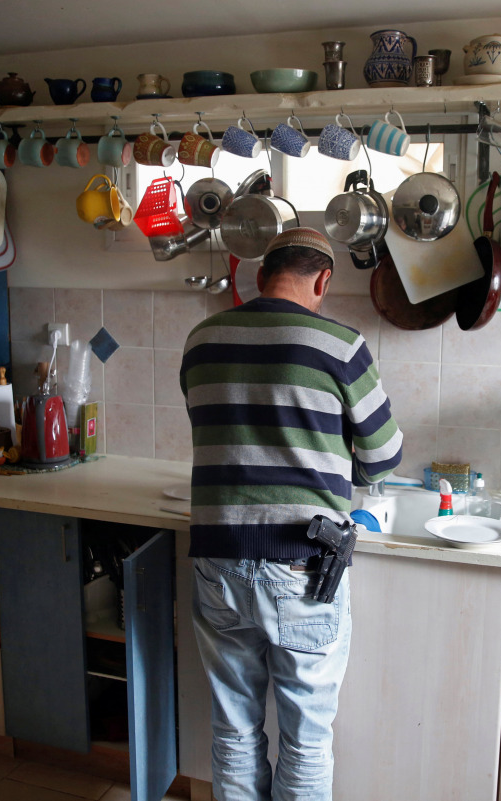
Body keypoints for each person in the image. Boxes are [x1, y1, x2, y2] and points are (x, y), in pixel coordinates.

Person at [180, 227, 402, 801]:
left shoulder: (201, 339)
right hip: (303, 565)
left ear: (259, 277)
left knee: (234, 727)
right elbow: (383, 456)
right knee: (304, 739)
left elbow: (222, 427)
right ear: (324, 280)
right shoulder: (339, 345)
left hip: (217, 558)